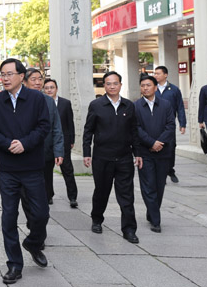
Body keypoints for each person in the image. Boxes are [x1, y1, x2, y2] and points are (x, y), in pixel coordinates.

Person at [0, 58, 50, 285]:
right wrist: (6, 143)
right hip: (8, 169)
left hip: (32, 166)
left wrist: (25, 143)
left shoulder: (36, 98)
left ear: (21, 76)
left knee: (41, 214)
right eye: (2, 74)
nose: (4, 78)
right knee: (9, 217)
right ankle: (14, 264)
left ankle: (33, 243)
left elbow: (44, 126)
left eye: (9, 74)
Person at [83, 71, 142, 243]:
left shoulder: (129, 106)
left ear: (120, 85)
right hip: (102, 157)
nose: (112, 86)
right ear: (104, 86)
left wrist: (137, 153)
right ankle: (97, 219)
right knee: (101, 191)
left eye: (115, 83)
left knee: (127, 195)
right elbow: (88, 131)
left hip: (124, 157)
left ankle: (129, 229)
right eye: (108, 84)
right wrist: (87, 153)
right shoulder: (96, 105)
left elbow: (134, 131)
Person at [134, 74, 175, 233]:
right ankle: (156, 221)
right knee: (148, 186)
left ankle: (152, 211)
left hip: (163, 152)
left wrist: (159, 143)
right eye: (143, 85)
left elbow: (171, 126)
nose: (145, 88)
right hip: (145, 153)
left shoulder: (165, 105)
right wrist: (151, 143)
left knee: (159, 186)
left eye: (148, 85)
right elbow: (136, 128)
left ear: (155, 88)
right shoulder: (136, 106)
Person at [23, 69, 64, 210]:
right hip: (25, 153)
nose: (37, 82)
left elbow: (56, 127)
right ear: (24, 81)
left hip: (45, 152)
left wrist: (58, 151)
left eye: (40, 79)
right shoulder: (19, 100)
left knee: (45, 185)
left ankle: (41, 212)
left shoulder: (48, 101)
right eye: (33, 79)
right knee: (27, 189)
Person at [42, 78, 79, 208]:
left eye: (51, 87)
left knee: (67, 169)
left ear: (56, 89)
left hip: (63, 142)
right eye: (46, 88)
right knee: (47, 171)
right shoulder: (42, 103)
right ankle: (49, 195)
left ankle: (72, 196)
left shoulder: (65, 103)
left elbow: (70, 122)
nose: (49, 90)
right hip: (46, 143)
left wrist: (72, 140)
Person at [153, 65, 186, 184]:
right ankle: (160, 173)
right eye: (155, 73)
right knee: (157, 146)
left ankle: (170, 170)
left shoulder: (174, 90)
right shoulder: (152, 88)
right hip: (154, 123)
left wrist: (183, 123)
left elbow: (180, 107)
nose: (155, 75)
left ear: (165, 75)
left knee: (171, 147)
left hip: (169, 124)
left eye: (158, 73)